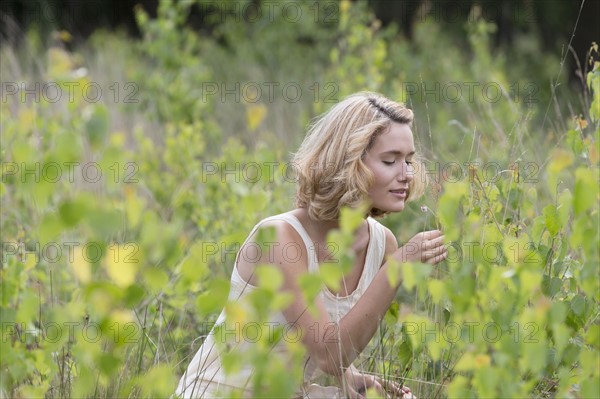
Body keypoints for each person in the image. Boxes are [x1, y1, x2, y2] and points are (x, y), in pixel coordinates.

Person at [175, 92, 448, 398]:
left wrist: (352, 378)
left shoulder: (381, 242)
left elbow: (316, 341)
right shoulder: (280, 238)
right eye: (390, 160)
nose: (406, 175)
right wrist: (397, 268)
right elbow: (329, 355)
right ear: (349, 163)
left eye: (409, 160)